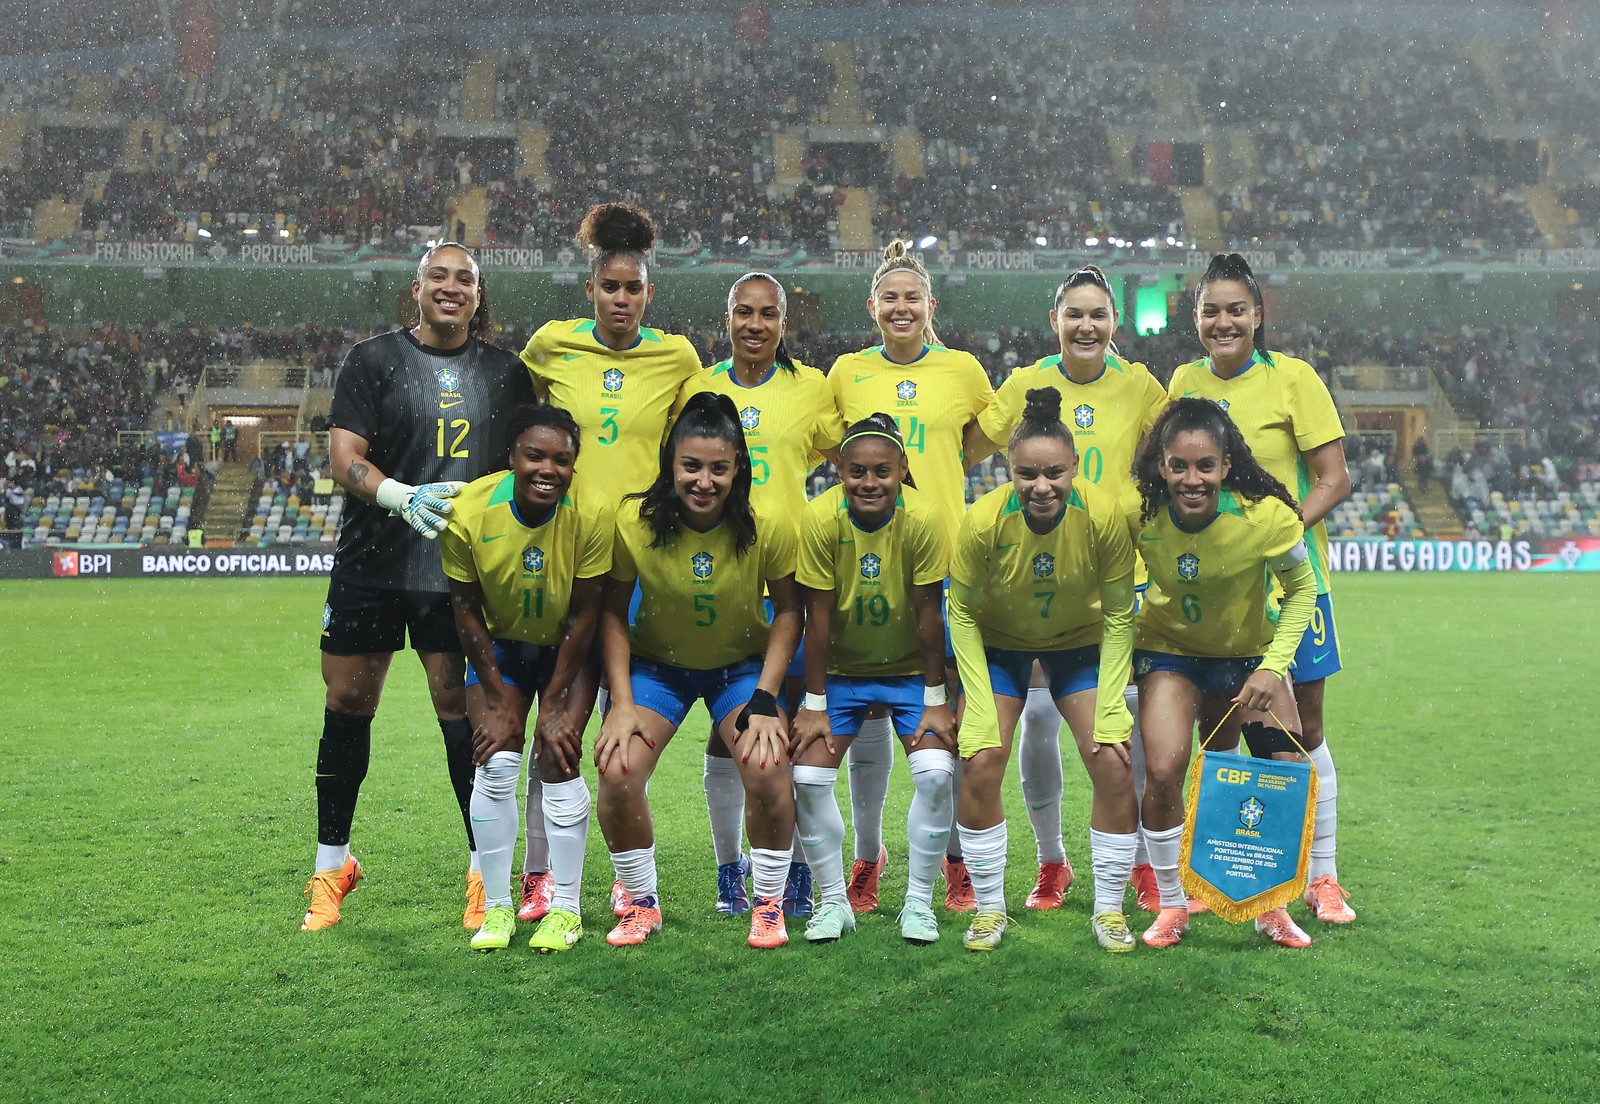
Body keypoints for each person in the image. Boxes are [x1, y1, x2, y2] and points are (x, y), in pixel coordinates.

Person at [301, 242, 535, 933]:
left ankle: (483, 873)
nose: (451, 287)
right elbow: (343, 457)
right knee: (347, 702)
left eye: (465, 279)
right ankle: (331, 867)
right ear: (417, 288)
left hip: (457, 570)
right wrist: (400, 496)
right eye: (439, 275)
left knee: (459, 711)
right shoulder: (371, 360)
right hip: (371, 562)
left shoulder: (507, 373)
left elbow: (524, 463)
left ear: (479, 294)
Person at [516, 202, 701, 923]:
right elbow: (525, 434)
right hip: (565, 565)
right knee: (555, 724)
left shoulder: (677, 358)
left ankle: (627, 876)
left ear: (649, 295)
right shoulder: (551, 346)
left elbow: (693, 450)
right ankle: (538, 876)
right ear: (590, 289)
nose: (622, 299)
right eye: (610, 287)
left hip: (642, 572)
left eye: (634, 289)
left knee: (623, 734)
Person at [1167, 253, 1356, 928]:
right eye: (1211, 311)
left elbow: (1334, 478)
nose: (1223, 322)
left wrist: (1278, 535)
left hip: (1293, 586)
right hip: (1219, 591)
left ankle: (1323, 878)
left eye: (1235, 310)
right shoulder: (1184, 382)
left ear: (1257, 315)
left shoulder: (1293, 379)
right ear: (1195, 318)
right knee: (1219, 730)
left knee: (1304, 732)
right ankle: (1219, 877)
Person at [971, 265, 1167, 913]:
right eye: (1074, 315)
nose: (1086, 326)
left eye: (1097, 315)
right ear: (1054, 321)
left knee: (1125, 729)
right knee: (1037, 721)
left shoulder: (1140, 386)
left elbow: (1175, 457)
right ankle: (1052, 861)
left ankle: (1140, 862)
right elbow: (964, 449)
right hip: (1035, 581)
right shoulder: (1025, 384)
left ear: (1115, 322)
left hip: (1120, 579)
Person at [594, 392, 802, 950]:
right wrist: (621, 703)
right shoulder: (633, 521)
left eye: (718, 468)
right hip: (658, 669)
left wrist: (766, 698)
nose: (704, 481)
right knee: (616, 770)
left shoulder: (766, 523)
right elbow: (611, 613)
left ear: (738, 468)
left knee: (767, 766)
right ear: (670, 463)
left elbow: (789, 611)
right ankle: (641, 903)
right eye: (691, 466)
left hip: (739, 669)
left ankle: (768, 904)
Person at [828, 239, 994, 914]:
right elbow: (835, 448)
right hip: (868, 563)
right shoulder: (846, 372)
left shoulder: (964, 369)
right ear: (872, 307)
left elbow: (979, 440)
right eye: (890, 298)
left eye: (912, 298)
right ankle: (868, 857)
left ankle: (955, 861)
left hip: (946, 568)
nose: (901, 307)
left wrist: (938, 474)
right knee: (867, 711)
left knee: (947, 720)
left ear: (931, 305)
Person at [948, 389, 1139, 952]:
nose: (1041, 487)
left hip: (1076, 645)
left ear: (1075, 466)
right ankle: (989, 909)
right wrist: (977, 702)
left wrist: (1111, 703)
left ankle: (1109, 910)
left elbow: (1121, 614)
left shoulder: (1102, 515)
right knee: (981, 761)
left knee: (1112, 762)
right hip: (1001, 646)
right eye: (1026, 474)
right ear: (1007, 469)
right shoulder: (983, 521)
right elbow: (961, 613)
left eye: (1055, 473)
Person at [1129, 397, 1321, 949]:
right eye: (1179, 466)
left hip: (1247, 657)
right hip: (1171, 652)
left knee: (1284, 766)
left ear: (1226, 465)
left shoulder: (1266, 517)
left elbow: (1302, 589)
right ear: (1162, 466)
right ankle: (1172, 904)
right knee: (1164, 768)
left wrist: (1273, 668)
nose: (1192, 479)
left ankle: (1271, 906)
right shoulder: (1138, 514)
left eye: (1205, 466)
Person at [684, 272, 843, 919]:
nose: (755, 324)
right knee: (726, 732)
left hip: (791, 580)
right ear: (727, 318)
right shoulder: (699, 389)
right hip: (718, 577)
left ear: (784, 322)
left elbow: (853, 455)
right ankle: (730, 869)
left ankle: (797, 869)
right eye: (744, 312)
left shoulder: (811, 388)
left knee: (790, 727)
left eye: (768, 314)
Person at [439, 404, 613, 952]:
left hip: (569, 651)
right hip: (502, 649)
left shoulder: (593, 511)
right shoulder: (468, 512)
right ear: (511, 457)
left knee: (558, 757)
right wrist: (496, 698)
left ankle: (567, 910)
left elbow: (585, 614)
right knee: (495, 762)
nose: (548, 470)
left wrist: (556, 702)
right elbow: (465, 610)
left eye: (562, 460)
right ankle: (496, 908)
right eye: (535, 456)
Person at [789, 414, 955, 945]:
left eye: (882, 471)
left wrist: (936, 699)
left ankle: (918, 903)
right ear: (839, 469)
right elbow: (817, 618)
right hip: (841, 675)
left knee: (936, 775)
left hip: (910, 674)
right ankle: (833, 903)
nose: (869, 482)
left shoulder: (924, 517)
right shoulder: (819, 519)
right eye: (857, 470)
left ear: (902, 469)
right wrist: (814, 702)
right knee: (807, 779)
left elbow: (930, 614)